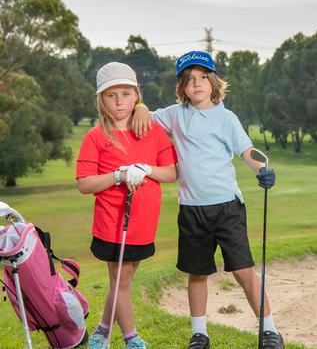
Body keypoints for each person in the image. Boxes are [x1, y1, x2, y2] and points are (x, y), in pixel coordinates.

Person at [132, 51, 282, 348]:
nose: (196, 84)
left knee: (243, 270)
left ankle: (269, 330)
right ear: (182, 88)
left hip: (227, 206)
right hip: (191, 209)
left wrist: (263, 169)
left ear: (213, 82)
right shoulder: (175, 115)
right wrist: (139, 105)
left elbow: (247, 151)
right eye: (189, 80)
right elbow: (146, 116)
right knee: (197, 272)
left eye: (202, 77)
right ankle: (199, 333)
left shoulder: (226, 118)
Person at [76, 62, 178, 349]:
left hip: (143, 224)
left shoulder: (153, 131)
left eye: (125, 93)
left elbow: (170, 173)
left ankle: (100, 332)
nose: (119, 102)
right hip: (112, 223)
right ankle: (131, 338)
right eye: (111, 95)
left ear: (136, 95)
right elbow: (84, 184)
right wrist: (118, 175)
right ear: (101, 99)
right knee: (120, 281)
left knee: (122, 281)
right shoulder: (95, 136)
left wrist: (145, 169)